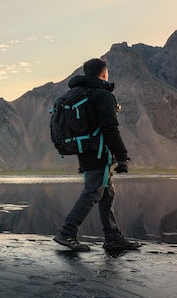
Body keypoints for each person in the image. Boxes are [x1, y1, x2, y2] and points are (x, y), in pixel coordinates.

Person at [53, 58, 141, 252]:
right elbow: (110, 128)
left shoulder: (80, 93)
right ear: (103, 74)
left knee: (106, 194)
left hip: (86, 150)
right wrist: (122, 156)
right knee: (93, 192)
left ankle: (112, 237)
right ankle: (67, 232)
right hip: (98, 152)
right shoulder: (101, 95)